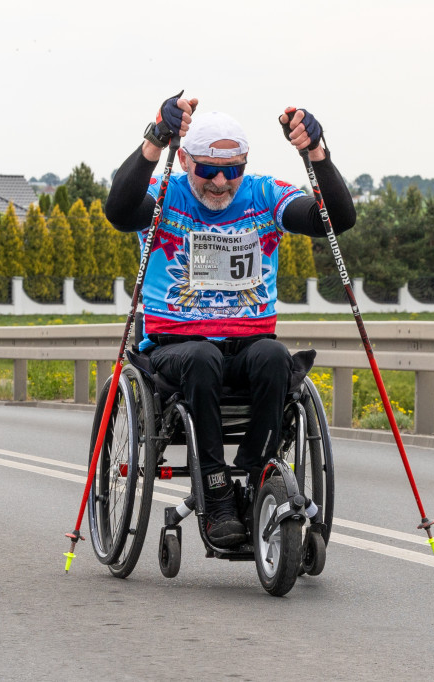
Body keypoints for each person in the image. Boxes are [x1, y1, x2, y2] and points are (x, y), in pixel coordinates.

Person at [104, 92, 355, 548]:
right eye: (208, 170)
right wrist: (154, 139)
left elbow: (334, 219)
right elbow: (119, 211)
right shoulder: (167, 195)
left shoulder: (263, 195)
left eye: (233, 170)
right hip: (176, 346)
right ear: (184, 160)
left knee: (276, 358)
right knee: (202, 358)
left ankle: (258, 468)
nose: (221, 182)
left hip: (247, 342)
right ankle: (215, 486)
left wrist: (316, 152)